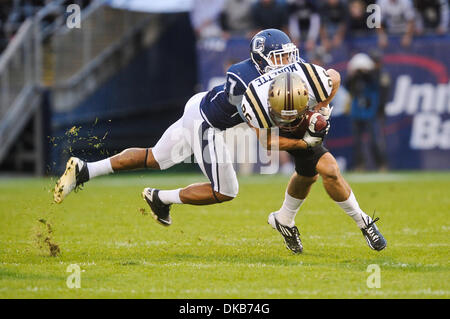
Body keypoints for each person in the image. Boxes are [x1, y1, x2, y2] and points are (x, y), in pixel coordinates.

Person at [53, 29, 306, 225]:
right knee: (226, 190)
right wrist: (305, 135)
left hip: (199, 105)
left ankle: (85, 169)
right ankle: (161, 197)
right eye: (279, 57)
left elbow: (326, 80)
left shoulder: (280, 75)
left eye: (288, 55)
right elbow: (264, 135)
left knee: (153, 158)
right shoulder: (243, 79)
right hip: (206, 122)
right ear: (261, 59)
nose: (286, 63)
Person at [239, 63, 387, 253]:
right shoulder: (255, 103)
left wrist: (321, 107)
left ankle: (283, 219)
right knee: (330, 170)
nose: (288, 118)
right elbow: (268, 142)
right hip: (282, 134)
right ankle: (363, 222)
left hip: (304, 123)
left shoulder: (310, 82)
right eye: (282, 113)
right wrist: (304, 143)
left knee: (307, 176)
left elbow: (335, 77)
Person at [345, 52, 388, 171]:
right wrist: (353, 74)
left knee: (374, 140)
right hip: (357, 112)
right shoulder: (355, 78)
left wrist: (365, 73)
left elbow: (374, 82)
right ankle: (359, 165)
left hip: (370, 112)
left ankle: (381, 165)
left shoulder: (374, 75)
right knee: (357, 142)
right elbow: (347, 86)